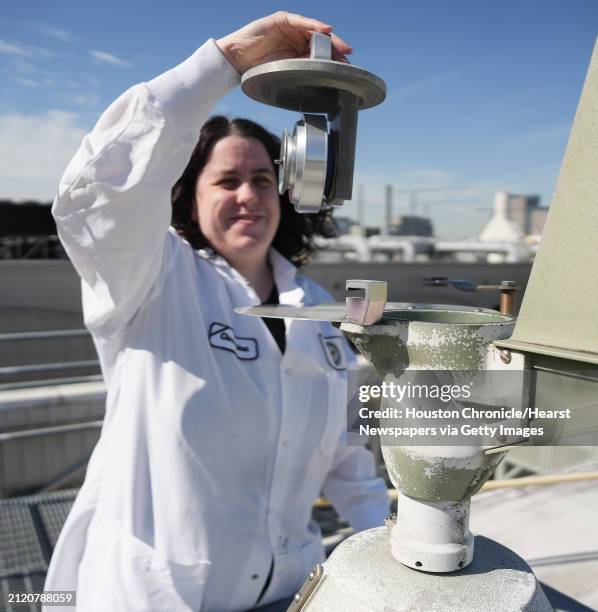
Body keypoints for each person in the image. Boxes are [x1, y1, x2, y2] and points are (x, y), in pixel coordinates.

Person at [44, 12, 389, 612]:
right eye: (225, 180)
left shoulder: (316, 309)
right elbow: (102, 191)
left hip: (289, 592)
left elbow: (341, 452)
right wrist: (228, 60)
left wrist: (395, 548)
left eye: (262, 178)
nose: (249, 195)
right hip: (155, 596)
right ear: (188, 196)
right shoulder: (152, 279)